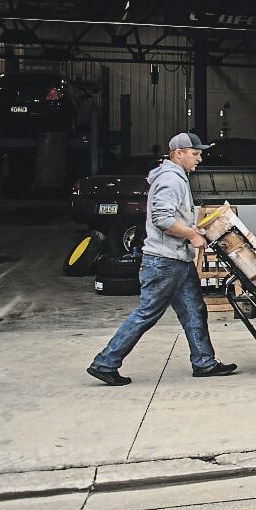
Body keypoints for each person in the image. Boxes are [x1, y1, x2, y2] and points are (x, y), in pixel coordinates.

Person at [87, 132, 238, 385]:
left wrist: (195, 231)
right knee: (147, 313)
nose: (199, 159)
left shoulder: (176, 177)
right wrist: (192, 235)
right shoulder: (171, 179)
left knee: (194, 310)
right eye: (195, 153)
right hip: (164, 262)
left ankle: (204, 362)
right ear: (178, 153)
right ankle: (105, 363)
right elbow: (162, 218)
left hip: (177, 260)